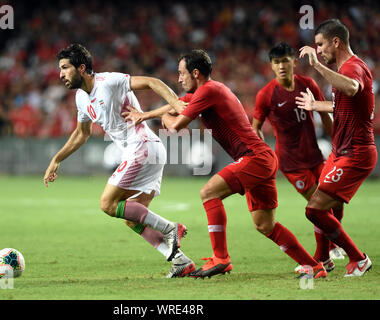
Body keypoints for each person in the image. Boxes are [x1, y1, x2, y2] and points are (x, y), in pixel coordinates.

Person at [123, 49, 327, 279]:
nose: (179, 79)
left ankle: (221, 258)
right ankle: (314, 266)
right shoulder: (209, 90)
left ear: (196, 73)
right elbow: (177, 104)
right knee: (264, 225)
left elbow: (175, 125)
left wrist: (163, 118)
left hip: (254, 158)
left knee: (209, 192)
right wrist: (145, 114)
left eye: (182, 74)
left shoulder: (208, 91)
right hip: (261, 158)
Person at [43, 43, 195, 278]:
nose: (60, 74)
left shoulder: (108, 82)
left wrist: (175, 104)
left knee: (107, 204)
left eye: (65, 68)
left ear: (81, 68)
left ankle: (171, 228)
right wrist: (57, 159)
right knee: (131, 217)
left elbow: (152, 82)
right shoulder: (81, 98)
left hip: (141, 147)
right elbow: (82, 133)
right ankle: (179, 261)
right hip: (148, 151)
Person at [251, 42, 345, 271]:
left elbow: (323, 112)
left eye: (285, 61)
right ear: (271, 66)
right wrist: (263, 153)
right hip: (292, 164)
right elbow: (256, 127)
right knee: (320, 206)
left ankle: (329, 250)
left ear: (294, 62)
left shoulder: (308, 84)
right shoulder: (266, 95)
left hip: (315, 156)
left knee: (336, 199)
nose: (281, 66)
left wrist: (337, 142)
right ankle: (324, 256)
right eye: (276, 62)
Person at [296, 19, 377, 277]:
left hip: (355, 152)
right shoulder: (346, 68)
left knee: (315, 209)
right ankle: (323, 258)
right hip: (340, 150)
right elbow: (345, 104)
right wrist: (316, 106)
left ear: (336, 42)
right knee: (323, 204)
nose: (318, 50)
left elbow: (352, 88)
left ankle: (358, 259)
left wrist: (317, 66)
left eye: (320, 45)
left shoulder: (353, 68)